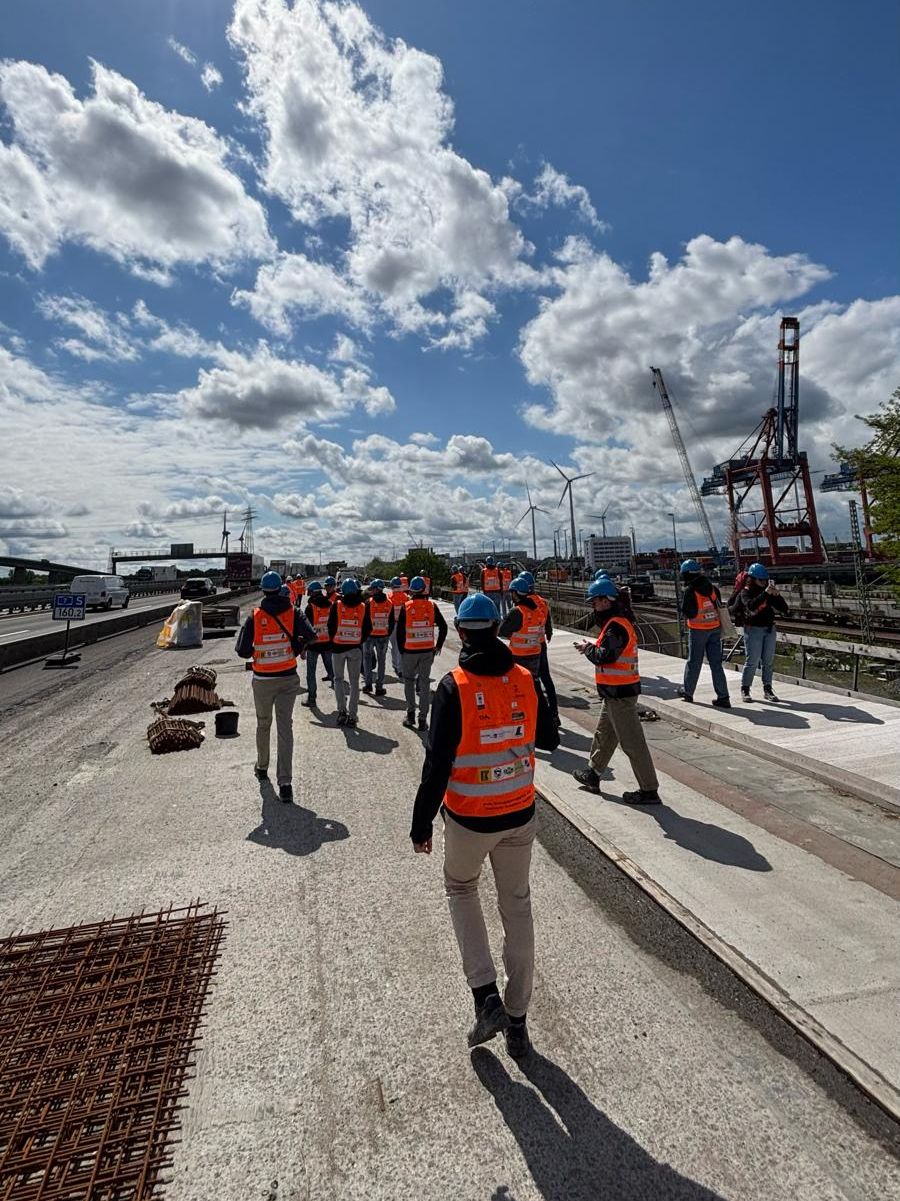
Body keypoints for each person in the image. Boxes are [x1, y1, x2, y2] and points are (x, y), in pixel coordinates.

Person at [410, 593, 559, 1056]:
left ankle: (484, 995)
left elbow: (437, 764)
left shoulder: (453, 686)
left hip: (471, 818)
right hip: (520, 813)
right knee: (518, 906)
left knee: (461, 889)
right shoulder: (525, 678)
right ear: (497, 628)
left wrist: (421, 824)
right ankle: (518, 1021)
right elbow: (550, 737)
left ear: (460, 632)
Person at [571, 579, 661, 804]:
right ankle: (593, 773)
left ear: (606, 600)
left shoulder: (616, 625)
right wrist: (593, 648)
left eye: (595, 601)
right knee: (605, 734)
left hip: (621, 694)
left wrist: (589, 649)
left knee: (632, 742)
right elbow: (608, 652)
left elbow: (606, 656)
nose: (593, 606)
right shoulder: (614, 623)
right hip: (613, 692)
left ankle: (649, 789)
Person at [235, 570, 317, 802]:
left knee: (263, 724)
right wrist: (297, 646)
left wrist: (257, 653)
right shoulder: (294, 612)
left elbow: (242, 651)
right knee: (285, 729)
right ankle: (286, 783)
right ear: (282, 588)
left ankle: (262, 767)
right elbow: (311, 636)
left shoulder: (254, 615)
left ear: (262, 590)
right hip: (288, 680)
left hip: (263, 681)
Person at [395, 575, 447, 730]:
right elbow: (443, 627)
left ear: (411, 590)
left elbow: (400, 632)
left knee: (409, 682)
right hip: (426, 651)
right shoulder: (432, 606)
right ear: (424, 589)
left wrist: (402, 650)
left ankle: (410, 715)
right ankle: (423, 719)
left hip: (409, 651)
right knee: (424, 685)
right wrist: (438, 646)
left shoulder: (407, 606)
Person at [731, 562, 788, 702]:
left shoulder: (767, 592)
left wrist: (777, 595)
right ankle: (745, 689)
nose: (763, 583)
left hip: (769, 629)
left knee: (768, 661)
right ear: (753, 578)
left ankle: (767, 689)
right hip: (753, 629)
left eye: (765, 580)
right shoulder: (745, 592)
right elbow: (751, 605)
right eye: (760, 580)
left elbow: (784, 608)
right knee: (752, 660)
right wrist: (765, 593)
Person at [678, 559, 731, 708]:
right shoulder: (713, 589)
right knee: (716, 664)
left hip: (698, 631)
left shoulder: (690, 591)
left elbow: (687, 612)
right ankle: (723, 696)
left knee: (694, 662)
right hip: (714, 629)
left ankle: (688, 692)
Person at [327, 579, 371, 726]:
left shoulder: (337, 605)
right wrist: (358, 640)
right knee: (354, 683)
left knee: (338, 680)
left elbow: (330, 626)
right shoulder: (363, 607)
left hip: (338, 649)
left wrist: (334, 640)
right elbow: (367, 628)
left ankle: (341, 712)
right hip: (355, 649)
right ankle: (352, 716)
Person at [301, 581, 332, 709]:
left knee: (311, 673)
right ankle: (340, 697)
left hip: (313, 645)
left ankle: (312, 699)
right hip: (327, 643)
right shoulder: (331, 605)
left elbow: (306, 630)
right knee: (332, 670)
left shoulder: (310, 607)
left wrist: (304, 648)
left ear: (312, 592)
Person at [363, 578, 394, 696]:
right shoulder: (389, 603)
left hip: (370, 637)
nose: (371, 591)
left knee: (367, 660)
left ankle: (368, 685)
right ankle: (379, 687)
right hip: (383, 637)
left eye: (372, 589)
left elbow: (364, 621)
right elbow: (391, 623)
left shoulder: (368, 603)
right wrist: (387, 633)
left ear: (376, 589)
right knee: (382, 661)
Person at [388, 575, 407, 675]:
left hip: (393, 625)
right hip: (403, 625)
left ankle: (396, 665)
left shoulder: (389, 597)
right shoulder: (405, 597)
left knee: (394, 646)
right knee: (401, 647)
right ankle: (400, 667)